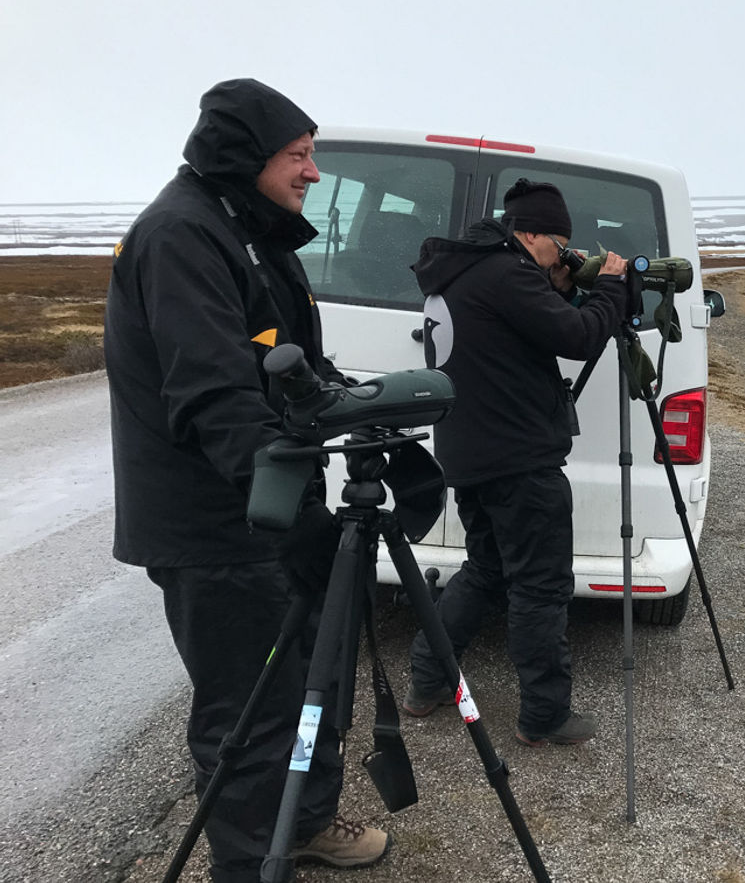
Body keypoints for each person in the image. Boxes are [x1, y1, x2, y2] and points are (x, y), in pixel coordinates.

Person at [104, 78, 390, 882]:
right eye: (298, 156)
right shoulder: (180, 237)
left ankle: (302, 824)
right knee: (251, 709)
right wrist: (289, 522)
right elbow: (216, 397)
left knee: (312, 681)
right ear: (246, 156)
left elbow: (294, 367)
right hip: (217, 525)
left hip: (268, 504)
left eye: (311, 155)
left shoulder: (251, 234)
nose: (313, 173)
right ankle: (247, 860)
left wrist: (374, 405)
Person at [403, 178, 629, 747]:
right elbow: (576, 336)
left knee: (486, 568)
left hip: (469, 453)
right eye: (558, 243)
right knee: (541, 587)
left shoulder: (465, 270)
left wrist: (555, 285)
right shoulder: (506, 273)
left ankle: (428, 681)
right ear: (529, 233)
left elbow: (517, 333)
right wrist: (609, 287)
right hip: (519, 461)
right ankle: (545, 717)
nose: (563, 255)